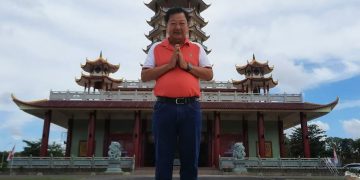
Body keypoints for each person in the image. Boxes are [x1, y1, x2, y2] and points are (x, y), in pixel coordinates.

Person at [141, 7, 213, 180]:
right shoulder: (156, 48)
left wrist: (186, 65)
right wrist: (169, 65)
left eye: (182, 23)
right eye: (173, 23)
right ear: (166, 26)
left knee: (190, 158)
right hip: (164, 107)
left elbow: (209, 74)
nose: (178, 27)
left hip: (191, 108)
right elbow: (144, 75)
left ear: (188, 26)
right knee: (163, 158)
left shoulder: (197, 48)